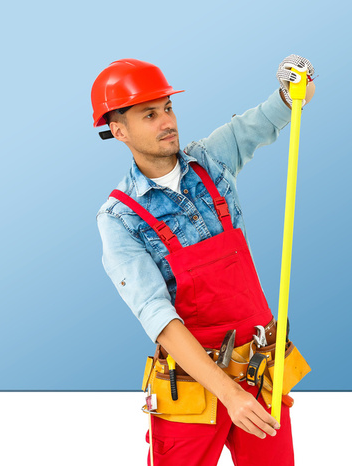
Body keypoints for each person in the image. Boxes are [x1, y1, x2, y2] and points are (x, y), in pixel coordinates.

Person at [94, 55, 315, 466]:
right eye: (149, 114)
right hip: (190, 385)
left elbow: (273, 114)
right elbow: (158, 318)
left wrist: (294, 87)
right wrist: (228, 394)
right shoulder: (119, 219)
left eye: (168, 108)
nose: (167, 122)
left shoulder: (211, 162)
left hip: (260, 369)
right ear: (118, 129)